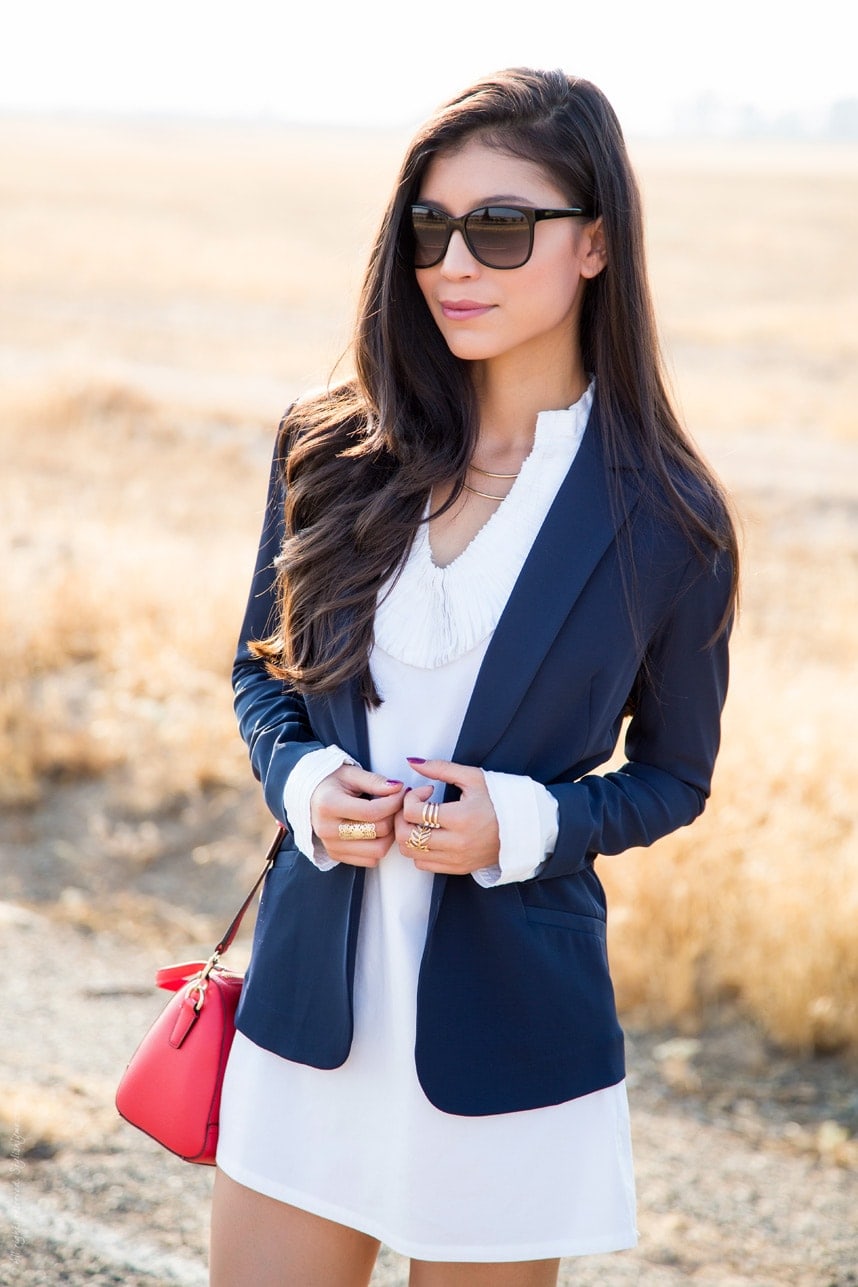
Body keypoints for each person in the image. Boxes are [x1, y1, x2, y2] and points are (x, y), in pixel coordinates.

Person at [209, 67, 738, 1287]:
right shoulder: (333, 447)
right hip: (308, 1013)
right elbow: (262, 672)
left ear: (595, 243)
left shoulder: (667, 519)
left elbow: (672, 776)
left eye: (501, 228)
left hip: (508, 1040)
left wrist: (526, 819)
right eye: (430, 228)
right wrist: (304, 789)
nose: (456, 263)